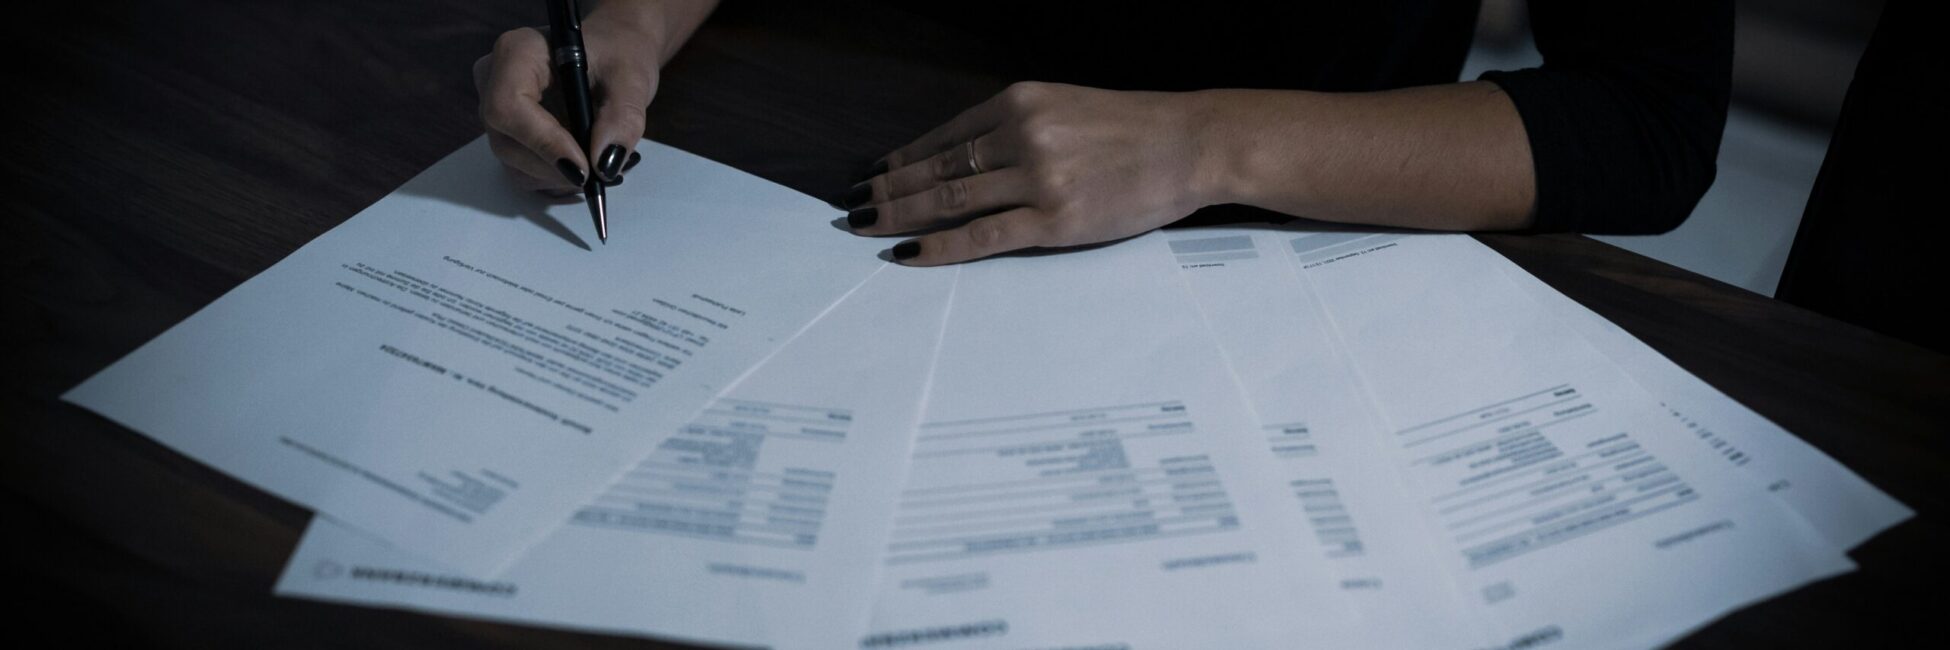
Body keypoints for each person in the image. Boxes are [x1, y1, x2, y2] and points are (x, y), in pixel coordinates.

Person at [477, 0, 1733, 266]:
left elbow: (1652, 122)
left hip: (1310, 197)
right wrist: (633, 19)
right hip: (887, 94)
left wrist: (1203, 143)